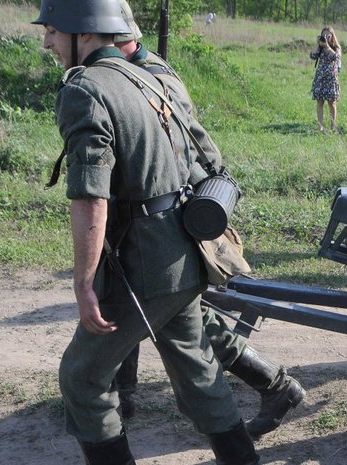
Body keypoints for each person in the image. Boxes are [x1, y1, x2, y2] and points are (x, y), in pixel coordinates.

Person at [33, 0, 260, 462]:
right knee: (198, 371)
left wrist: (83, 282)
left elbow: (91, 197)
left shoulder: (86, 89)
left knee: (82, 377)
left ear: (84, 32)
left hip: (143, 268)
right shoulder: (147, 76)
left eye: (53, 30)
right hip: (185, 255)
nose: (47, 42)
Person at [111, 0, 305, 439]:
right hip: (160, 218)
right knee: (161, 307)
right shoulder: (138, 71)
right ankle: (123, 395)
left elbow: (176, 154)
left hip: (173, 218)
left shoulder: (149, 76)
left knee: (160, 308)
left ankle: (273, 387)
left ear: (117, 39)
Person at [311, 26, 342, 133]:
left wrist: (327, 47)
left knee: (331, 103)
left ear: (332, 36)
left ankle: (333, 126)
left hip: (331, 79)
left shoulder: (336, 47)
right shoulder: (320, 47)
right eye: (324, 35)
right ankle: (320, 126)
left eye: (328, 36)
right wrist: (317, 44)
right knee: (319, 102)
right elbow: (312, 56)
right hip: (320, 78)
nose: (326, 37)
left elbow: (336, 57)